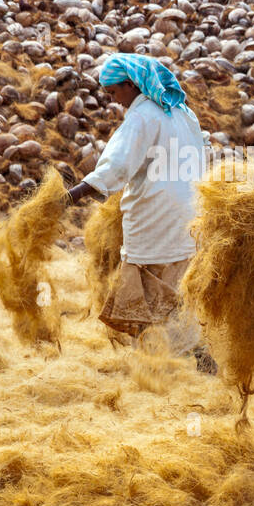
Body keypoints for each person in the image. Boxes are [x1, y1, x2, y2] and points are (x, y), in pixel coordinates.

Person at [65, 53, 209, 366]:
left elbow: (115, 166)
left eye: (114, 92)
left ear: (131, 85)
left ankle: (170, 362)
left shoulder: (142, 117)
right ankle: (194, 353)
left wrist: (69, 197)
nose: (113, 101)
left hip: (155, 216)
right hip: (189, 214)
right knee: (180, 285)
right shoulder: (183, 113)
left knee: (153, 287)